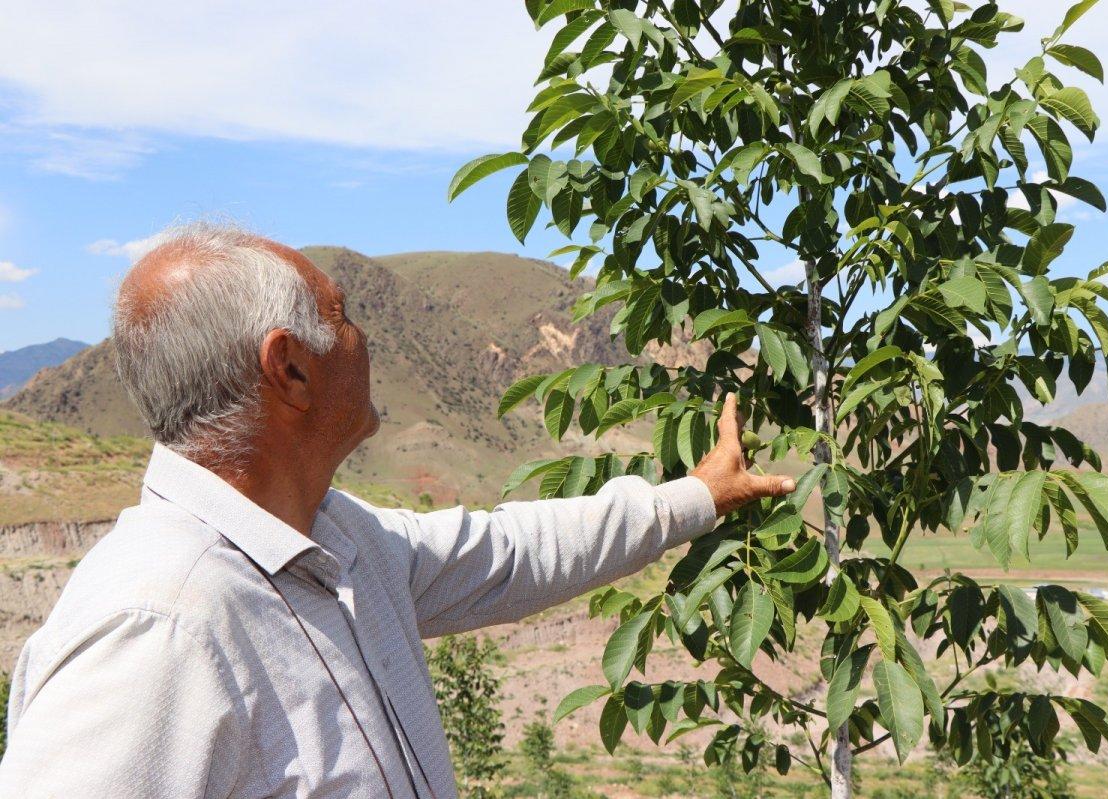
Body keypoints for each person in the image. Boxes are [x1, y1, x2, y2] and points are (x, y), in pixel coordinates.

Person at [0, 222, 796, 798]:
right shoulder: (157, 625)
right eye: (342, 316)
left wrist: (698, 495)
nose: (364, 338)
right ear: (290, 369)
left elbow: (513, 552)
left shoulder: (337, 538)